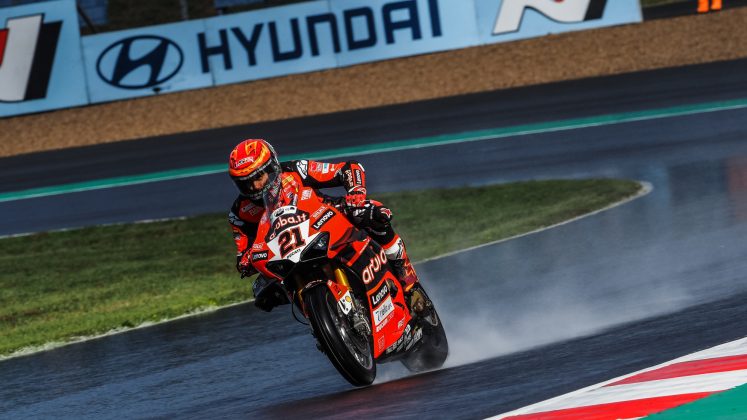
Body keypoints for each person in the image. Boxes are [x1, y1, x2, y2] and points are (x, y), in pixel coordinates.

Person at [227, 138, 424, 312]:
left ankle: (408, 280)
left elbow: (348, 168)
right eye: (246, 183)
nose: (254, 187)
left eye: (258, 177)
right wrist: (245, 261)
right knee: (263, 291)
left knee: (373, 213)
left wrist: (356, 192)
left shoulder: (296, 170)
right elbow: (243, 251)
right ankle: (319, 321)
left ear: (272, 167)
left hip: (324, 216)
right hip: (287, 249)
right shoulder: (239, 212)